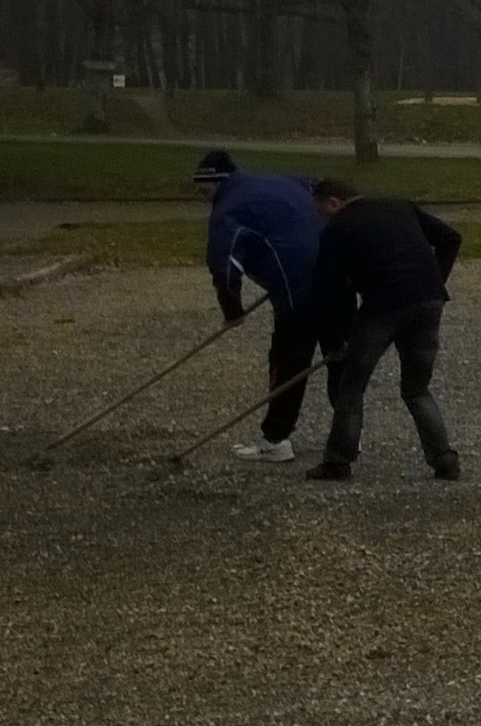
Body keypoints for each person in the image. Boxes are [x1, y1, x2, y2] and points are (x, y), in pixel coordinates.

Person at [304, 178, 464, 484]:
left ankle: (338, 463)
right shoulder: (399, 206)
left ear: (333, 202)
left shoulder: (338, 228)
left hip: (383, 307)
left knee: (351, 388)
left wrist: (341, 336)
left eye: (322, 210)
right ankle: (445, 461)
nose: (322, 217)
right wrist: (434, 279)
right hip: (429, 302)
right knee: (417, 389)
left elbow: (330, 290)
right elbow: (450, 238)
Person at [193, 149, 324, 463]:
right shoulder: (291, 182)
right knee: (339, 354)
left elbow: (224, 269)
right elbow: (322, 188)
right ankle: (348, 437)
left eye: (203, 189)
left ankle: (276, 440)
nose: (202, 196)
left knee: (288, 361)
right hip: (336, 278)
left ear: (218, 182)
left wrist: (233, 313)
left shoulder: (228, 209)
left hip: (295, 291)